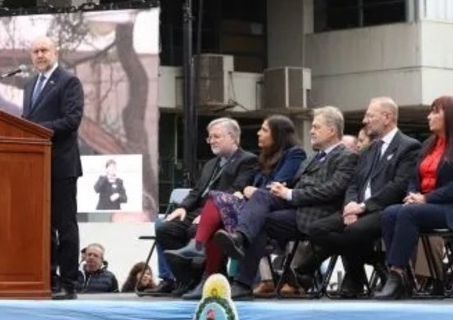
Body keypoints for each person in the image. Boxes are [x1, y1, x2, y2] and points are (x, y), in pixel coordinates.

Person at [214, 106, 358, 299]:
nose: (311, 131)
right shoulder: (313, 158)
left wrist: (290, 194)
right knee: (262, 196)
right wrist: (281, 189)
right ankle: (240, 240)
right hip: (296, 207)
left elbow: (332, 190)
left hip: (318, 215)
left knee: (262, 217)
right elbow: (294, 184)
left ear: (332, 130)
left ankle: (241, 271)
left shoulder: (347, 157)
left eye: (316, 127)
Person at [168, 114, 306, 299]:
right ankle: (204, 273)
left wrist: (253, 190)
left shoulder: (295, 154)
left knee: (218, 203)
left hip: (274, 209)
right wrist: (245, 191)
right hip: (250, 209)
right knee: (215, 201)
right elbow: (243, 187)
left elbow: (279, 184)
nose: (258, 133)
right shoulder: (262, 158)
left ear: (278, 134)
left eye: (264, 130)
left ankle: (214, 248)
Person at [301, 97, 420, 297]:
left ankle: (349, 278)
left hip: (384, 210)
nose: (365, 120)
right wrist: (350, 205)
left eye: (370, 115)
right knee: (316, 229)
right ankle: (377, 261)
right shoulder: (369, 149)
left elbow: (397, 187)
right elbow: (354, 183)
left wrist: (363, 207)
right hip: (357, 209)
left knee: (351, 233)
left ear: (387, 117)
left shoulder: (409, 146)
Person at [374, 96, 453, 299]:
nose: (429, 116)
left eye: (435, 112)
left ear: (449, 116)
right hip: (425, 206)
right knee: (389, 213)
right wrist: (412, 195)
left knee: (409, 213)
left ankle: (396, 275)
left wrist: (427, 198)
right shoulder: (428, 144)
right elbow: (414, 179)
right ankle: (402, 277)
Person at [145, 118, 257, 297]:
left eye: (216, 136)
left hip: (224, 213)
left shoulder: (247, 160)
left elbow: (236, 189)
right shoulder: (210, 164)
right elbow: (197, 192)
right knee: (165, 228)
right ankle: (189, 280)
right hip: (198, 211)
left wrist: (209, 214)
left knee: (195, 230)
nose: (211, 140)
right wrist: (182, 207)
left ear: (232, 137)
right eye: (209, 137)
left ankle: (212, 278)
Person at [23, 36, 84, 300]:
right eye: (35, 51)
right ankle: (47, 279)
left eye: (44, 50)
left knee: (65, 225)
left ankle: (69, 283)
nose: (39, 55)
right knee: (42, 227)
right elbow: (27, 120)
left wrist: (37, 131)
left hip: (61, 165)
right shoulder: (29, 84)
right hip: (37, 166)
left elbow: (71, 120)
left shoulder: (68, 81)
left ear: (55, 52)